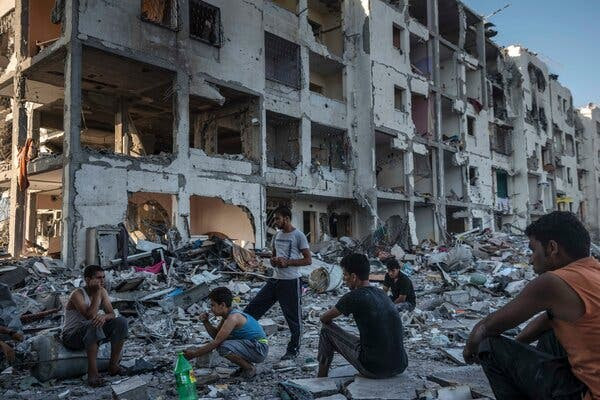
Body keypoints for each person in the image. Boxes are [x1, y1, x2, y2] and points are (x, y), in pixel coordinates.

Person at [463, 211, 599, 400]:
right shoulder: (594, 274)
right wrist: (518, 348)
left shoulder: (553, 282)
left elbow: (488, 327)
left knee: (489, 346)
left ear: (552, 248)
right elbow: (547, 320)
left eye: (533, 250)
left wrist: (471, 347)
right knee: (553, 331)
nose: (530, 258)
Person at [317, 253, 408, 379]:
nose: (344, 279)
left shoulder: (354, 296)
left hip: (374, 368)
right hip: (400, 365)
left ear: (354, 276)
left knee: (326, 331)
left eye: (345, 275)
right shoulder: (381, 294)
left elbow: (324, 319)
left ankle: (320, 379)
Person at [244, 205, 311, 360]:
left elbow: (308, 260)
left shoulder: (298, 236)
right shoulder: (277, 236)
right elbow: (274, 256)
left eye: (277, 219)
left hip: (291, 282)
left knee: (293, 319)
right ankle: (246, 342)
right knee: (252, 310)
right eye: (274, 219)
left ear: (286, 219)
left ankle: (293, 350)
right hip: (275, 280)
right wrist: (273, 261)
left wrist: (288, 262)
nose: (274, 222)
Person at [61, 265, 128, 387]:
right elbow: (89, 316)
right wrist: (97, 293)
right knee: (94, 324)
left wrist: (104, 317)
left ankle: (113, 365)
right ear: (87, 280)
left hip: (91, 331)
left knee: (121, 322)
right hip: (71, 336)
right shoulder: (77, 294)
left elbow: (111, 313)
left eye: (103, 277)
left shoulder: (103, 291)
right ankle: (93, 374)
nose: (102, 281)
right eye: (98, 278)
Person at [184, 287, 268, 379]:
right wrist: (206, 322)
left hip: (259, 348)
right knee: (224, 343)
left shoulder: (233, 318)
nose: (211, 309)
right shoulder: (227, 316)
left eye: (213, 305)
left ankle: (249, 368)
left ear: (222, 305)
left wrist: (194, 354)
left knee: (223, 347)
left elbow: (216, 342)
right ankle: (245, 367)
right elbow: (216, 335)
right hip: (254, 346)